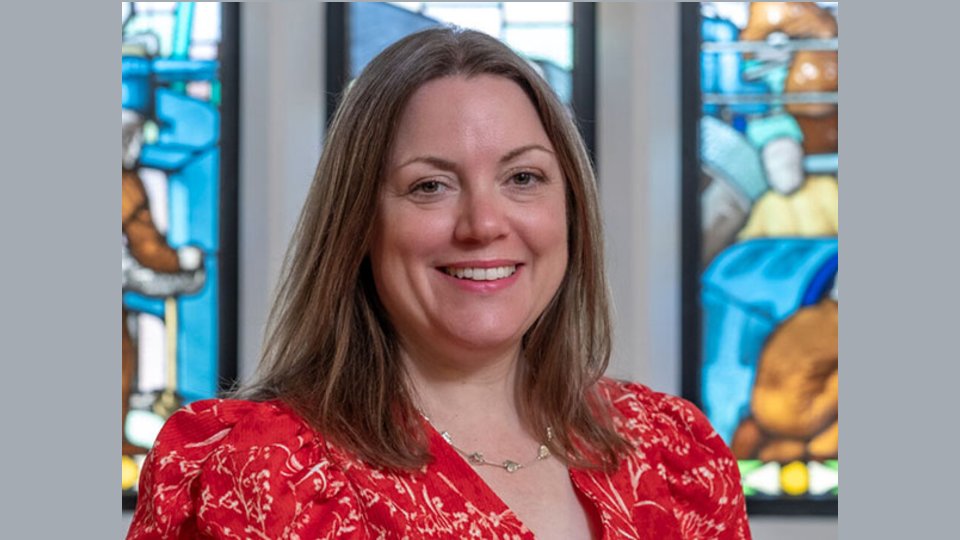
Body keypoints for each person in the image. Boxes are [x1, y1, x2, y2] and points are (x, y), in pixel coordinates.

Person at [127, 27, 750, 539]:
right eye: (430, 186)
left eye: (523, 178)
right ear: (358, 225)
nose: (483, 224)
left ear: (571, 210)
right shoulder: (253, 472)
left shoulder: (676, 454)